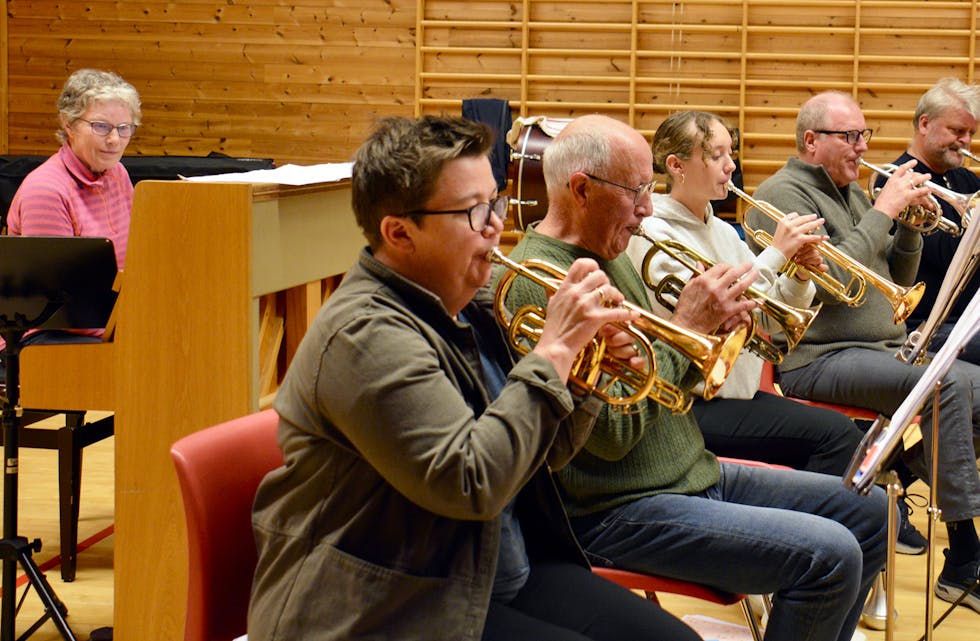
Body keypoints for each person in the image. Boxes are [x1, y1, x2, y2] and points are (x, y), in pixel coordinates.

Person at [246, 115, 702, 641]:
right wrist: (554, 351)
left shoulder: (474, 304)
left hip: (488, 567)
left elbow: (539, 459)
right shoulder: (364, 335)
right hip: (386, 602)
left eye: (495, 203)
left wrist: (583, 374)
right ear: (399, 232)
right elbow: (471, 483)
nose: (494, 227)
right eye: (472, 212)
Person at [496, 113, 889, 641]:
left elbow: (665, 387)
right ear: (582, 190)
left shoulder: (608, 251)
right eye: (635, 191)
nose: (648, 208)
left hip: (689, 471)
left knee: (870, 512)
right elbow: (609, 440)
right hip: (615, 508)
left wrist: (707, 336)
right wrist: (686, 327)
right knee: (830, 556)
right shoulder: (540, 282)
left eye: (649, 188)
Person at [747, 90, 980, 614]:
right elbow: (830, 283)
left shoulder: (851, 191)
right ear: (811, 140)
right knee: (944, 384)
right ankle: (967, 545)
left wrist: (909, 227)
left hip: (883, 348)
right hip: (818, 359)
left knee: (974, 388)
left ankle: (904, 466)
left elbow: (896, 279)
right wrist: (883, 209)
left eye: (864, 135)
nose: (861, 147)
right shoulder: (783, 194)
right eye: (849, 136)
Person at [625, 109, 866, 476]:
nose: (730, 166)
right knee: (835, 437)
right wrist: (777, 253)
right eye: (716, 155)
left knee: (840, 435)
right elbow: (710, 309)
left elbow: (767, 315)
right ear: (676, 165)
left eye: (731, 154)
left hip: (737, 393)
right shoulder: (652, 232)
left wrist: (799, 276)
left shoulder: (721, 231)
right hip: (690, 399)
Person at [0, 68, 140, 382]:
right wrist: (135, 325)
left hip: (101, 319)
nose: (115, 139)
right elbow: (61, 304)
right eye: (101, 126)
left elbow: (132, 262)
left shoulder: (116, 175)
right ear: (69, 123)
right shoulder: (47, 191)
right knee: (162, 353)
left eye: (124, 127)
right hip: (45, 334)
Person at [872, 78, 980, 365]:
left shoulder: (966, 179)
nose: (966, 142)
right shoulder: (895, 181)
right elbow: (943, 259)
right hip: (927, 325)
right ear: (924, 124)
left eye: (971, 133)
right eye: (957, 130)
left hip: (967, 320)